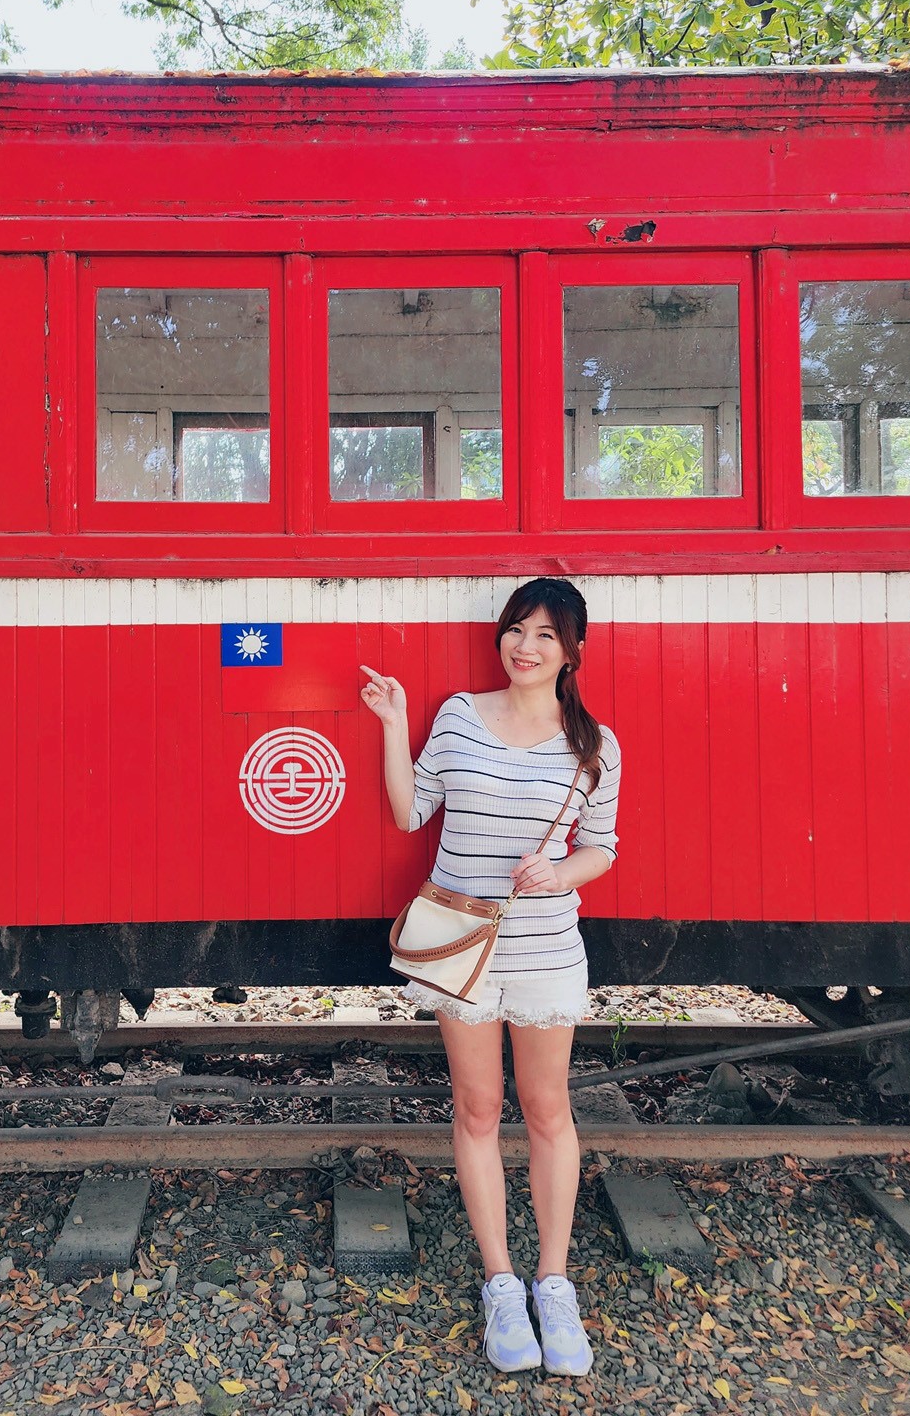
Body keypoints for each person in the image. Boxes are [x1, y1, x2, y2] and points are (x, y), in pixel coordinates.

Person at [359, 576, 621, 1379]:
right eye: (517, 629)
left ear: (572, 650)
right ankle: (501, 1284)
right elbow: (411, 815)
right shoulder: (459, 717)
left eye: (546, 634)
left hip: (544, 949)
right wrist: (395, 723)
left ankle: (555, 1281)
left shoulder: (594, 744)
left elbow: (603, 848)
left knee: (547, 1111)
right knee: (477, 1109)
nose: (526, 646)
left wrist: (561, 875)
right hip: (461, 951)